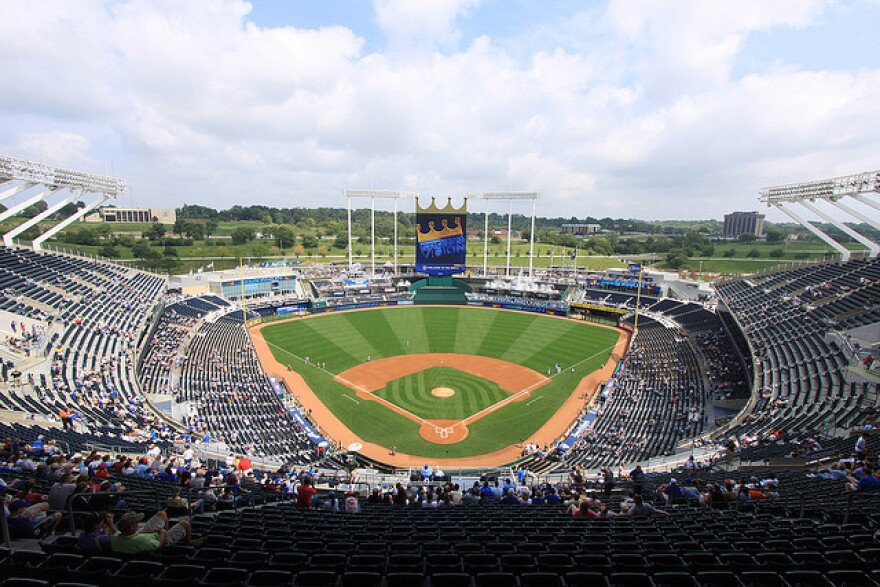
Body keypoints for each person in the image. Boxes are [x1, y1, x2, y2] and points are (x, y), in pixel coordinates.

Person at [109, 510, 198, 554]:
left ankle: (167, 531)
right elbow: (159, 545)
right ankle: (189, 542)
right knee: (185, 523)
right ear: (132, 527)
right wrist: (162, 532)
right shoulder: (141, 541)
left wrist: (110, 523)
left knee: (162, 514)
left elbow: (117, 531)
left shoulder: (115, 538)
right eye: (136, 522)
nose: (138, 523)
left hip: (143, 535)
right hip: (161, 540)